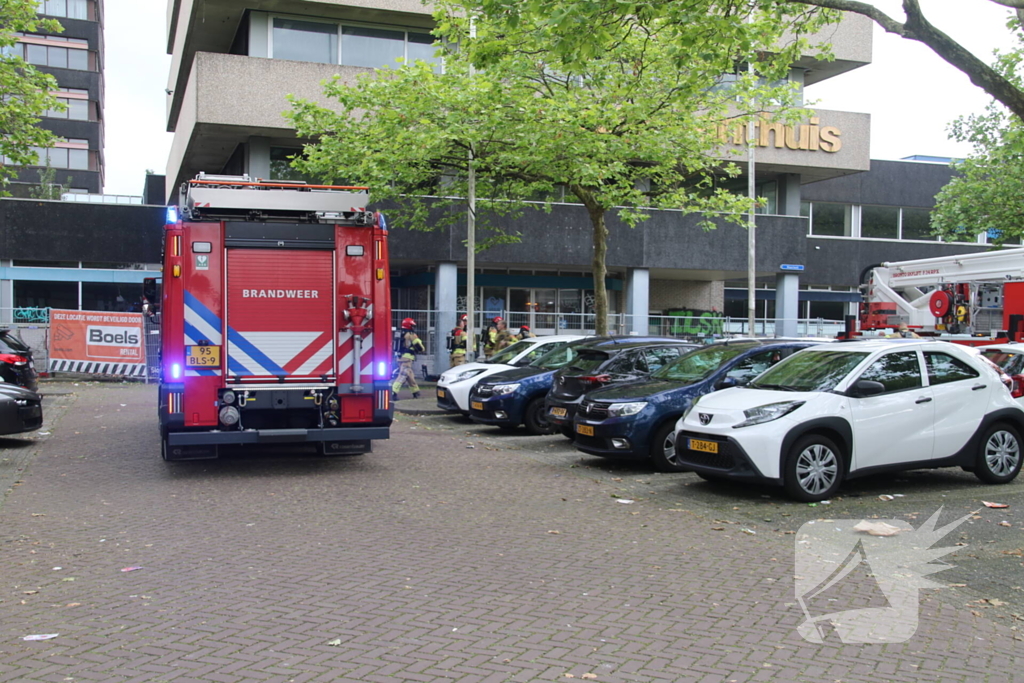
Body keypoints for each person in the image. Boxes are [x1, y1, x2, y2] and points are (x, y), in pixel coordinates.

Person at [392, 318, 425, 399]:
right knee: (403, 375)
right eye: (413, 325)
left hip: (400, 357)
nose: (414, 327)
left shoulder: (400, 333)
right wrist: (421, 349)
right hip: (407, 358)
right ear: (409, 325)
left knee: (409, 375)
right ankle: (393, 392)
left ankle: (415, 392)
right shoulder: (411, 334)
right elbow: (420, 346)